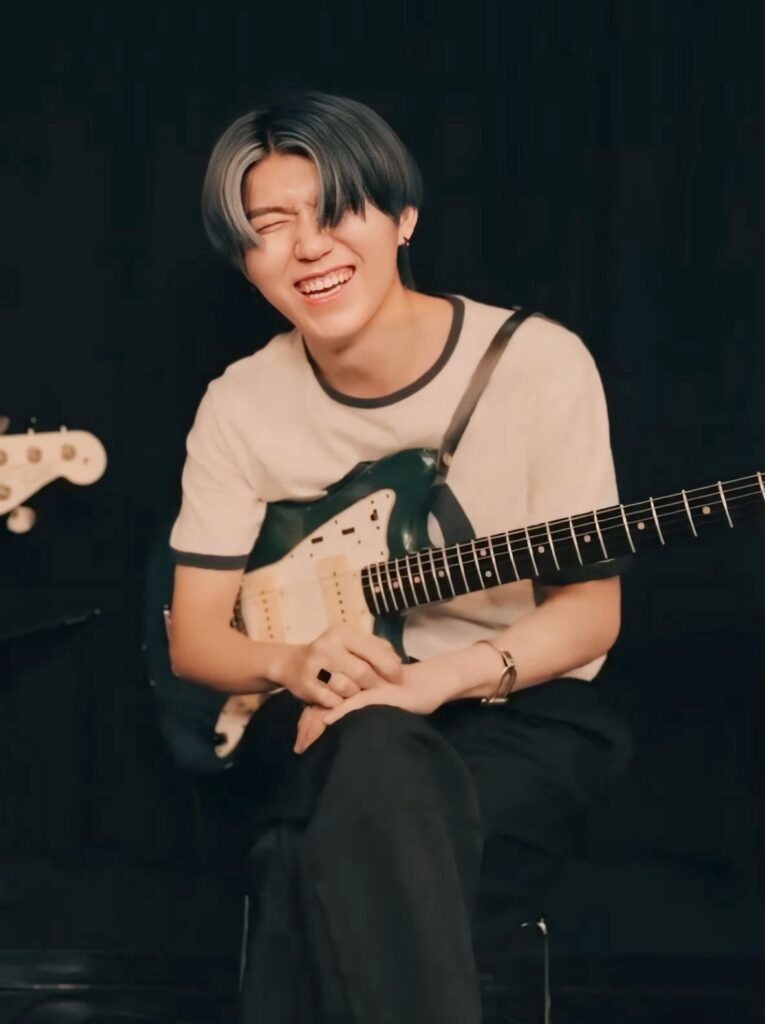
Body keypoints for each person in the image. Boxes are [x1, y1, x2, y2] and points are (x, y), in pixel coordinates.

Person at [168, 90, 632, 1024]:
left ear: (402, 217)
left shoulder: (540, 364)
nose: (308, 247)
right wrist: (292, 662)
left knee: (306, 851)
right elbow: (195, 639)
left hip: (521, 713)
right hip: (325, 720)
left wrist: (430, 682)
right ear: (244, 258)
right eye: (269, 226)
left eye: (336, 210)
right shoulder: (240, 403)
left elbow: (590, 612)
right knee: (368, 759)